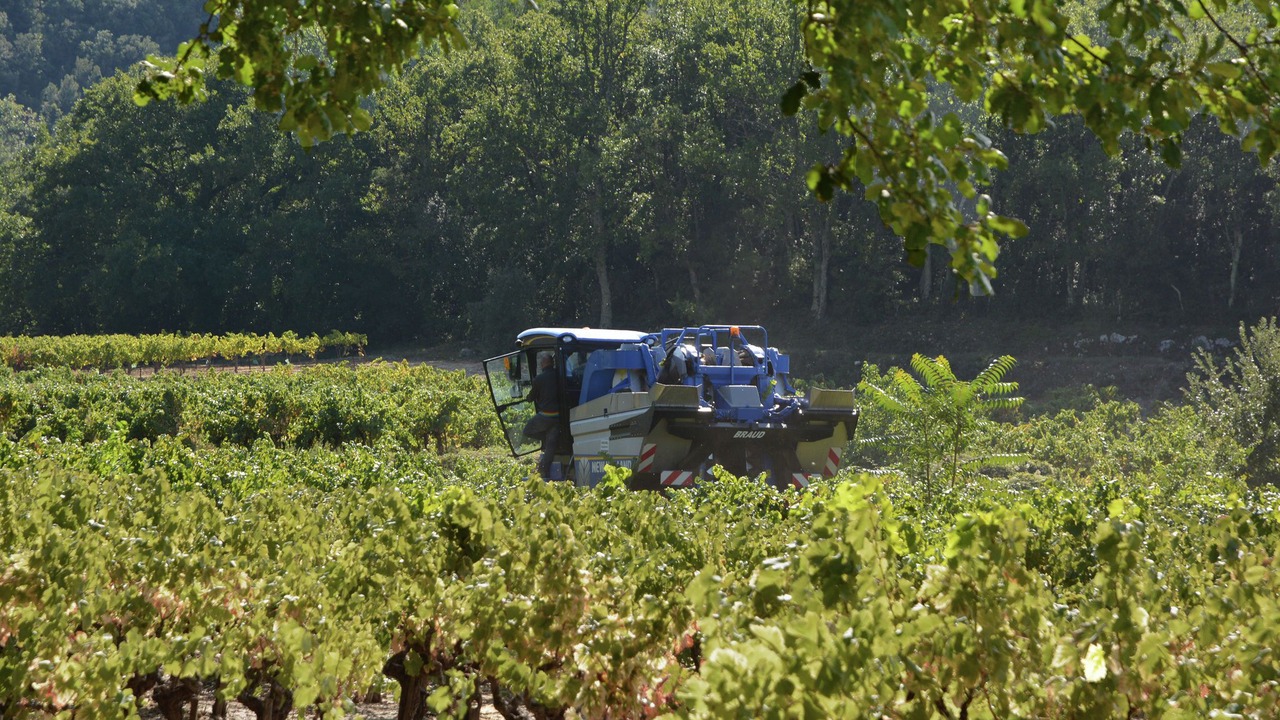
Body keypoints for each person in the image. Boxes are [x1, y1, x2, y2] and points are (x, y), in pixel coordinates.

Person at [522, 352, 561, 479]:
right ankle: (546, 472)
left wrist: (528, 397)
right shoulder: (560, 376)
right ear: (552, 363)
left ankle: (544, 472)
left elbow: (531, 397)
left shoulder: (539, 379)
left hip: (546, 416)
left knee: (527, 430)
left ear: (543, 364)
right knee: (550, 445)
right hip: (559, 417)